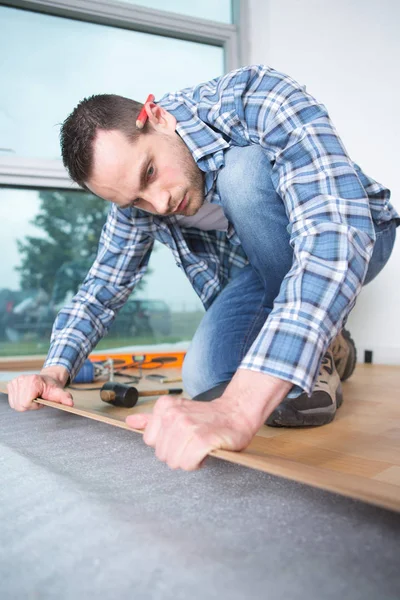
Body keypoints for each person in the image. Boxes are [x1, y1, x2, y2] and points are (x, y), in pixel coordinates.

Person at [7, 65, 399, 470]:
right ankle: (331, 342)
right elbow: (102, 288)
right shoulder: (139, 204)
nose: (158, 204)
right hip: (262, 275)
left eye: (150, 173)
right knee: (205, 377)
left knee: (242, 176)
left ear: (156, 116)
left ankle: (315, 348)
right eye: (135, 200)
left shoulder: (256, 96)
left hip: (360, 234)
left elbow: (335, 234)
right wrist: (54, 373)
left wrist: (241, 408)